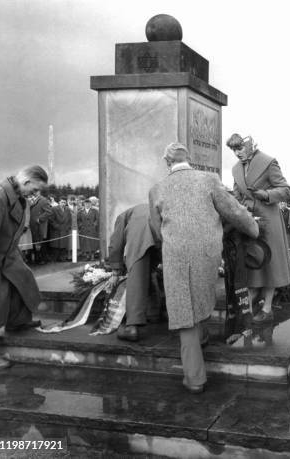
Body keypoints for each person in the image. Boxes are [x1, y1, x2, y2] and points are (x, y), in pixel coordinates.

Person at [149, 143, 258, 393]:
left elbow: (156, 230)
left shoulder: (157, 189)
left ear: (168, 163)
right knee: (200, 299)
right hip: (207, 253)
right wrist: (254, 228)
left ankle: (194, 378)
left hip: (175, 255)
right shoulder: (209, 179)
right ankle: (199, 355)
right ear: (189, 159)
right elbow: (234, 211)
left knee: (183, 312)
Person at [227, 133, 290, 323]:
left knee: (269, 263)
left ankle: (267, 308)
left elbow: (285, 189)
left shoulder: (268, 162)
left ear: (250, 146)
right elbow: (237, 195)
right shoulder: (235, 169)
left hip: (269, 220)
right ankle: (252, 299)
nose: (237, 153)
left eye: (239, 148)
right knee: (252, 262)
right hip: (248, 221)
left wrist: (264, 194)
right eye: (233, 150)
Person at [0, 165, 47, 369]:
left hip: (9, 255)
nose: (36, 195)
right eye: (34, 190)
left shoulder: (18, 197)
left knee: (24, 280)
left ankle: (17, 321)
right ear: (25, 182)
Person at [107, 204, 162, 342]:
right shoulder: (152, 206)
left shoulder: (124, 216)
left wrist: (115, 271)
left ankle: (133, 326)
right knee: (156, 273)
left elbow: (116, 243)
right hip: (165, 227)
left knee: (137, 277)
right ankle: (156, 313)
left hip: (141, 233)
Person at [29, 191, 52, 264]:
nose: (34, 192)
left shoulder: (43, 200)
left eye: (36, 190)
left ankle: (43, 259)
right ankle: (37, 259)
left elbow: (49, 212)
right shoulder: (32, 200)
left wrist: (40, 218)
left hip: (40, 225)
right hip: (33, 226)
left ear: (39, 192)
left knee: (42, 242)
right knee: (35, 242)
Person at [48, 197, 71, 261]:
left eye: (64, 202)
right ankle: (55, 258)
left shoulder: (68, 209)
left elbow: (70, 219)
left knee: (63, 245)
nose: (63, 204)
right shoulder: (54, 209)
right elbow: (51, 219)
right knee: (56, 245)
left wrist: (67, 227)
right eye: (62, 202)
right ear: (59, 202)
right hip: (56, 230)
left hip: (64, 230)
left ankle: (62, 258)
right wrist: (56, 226)